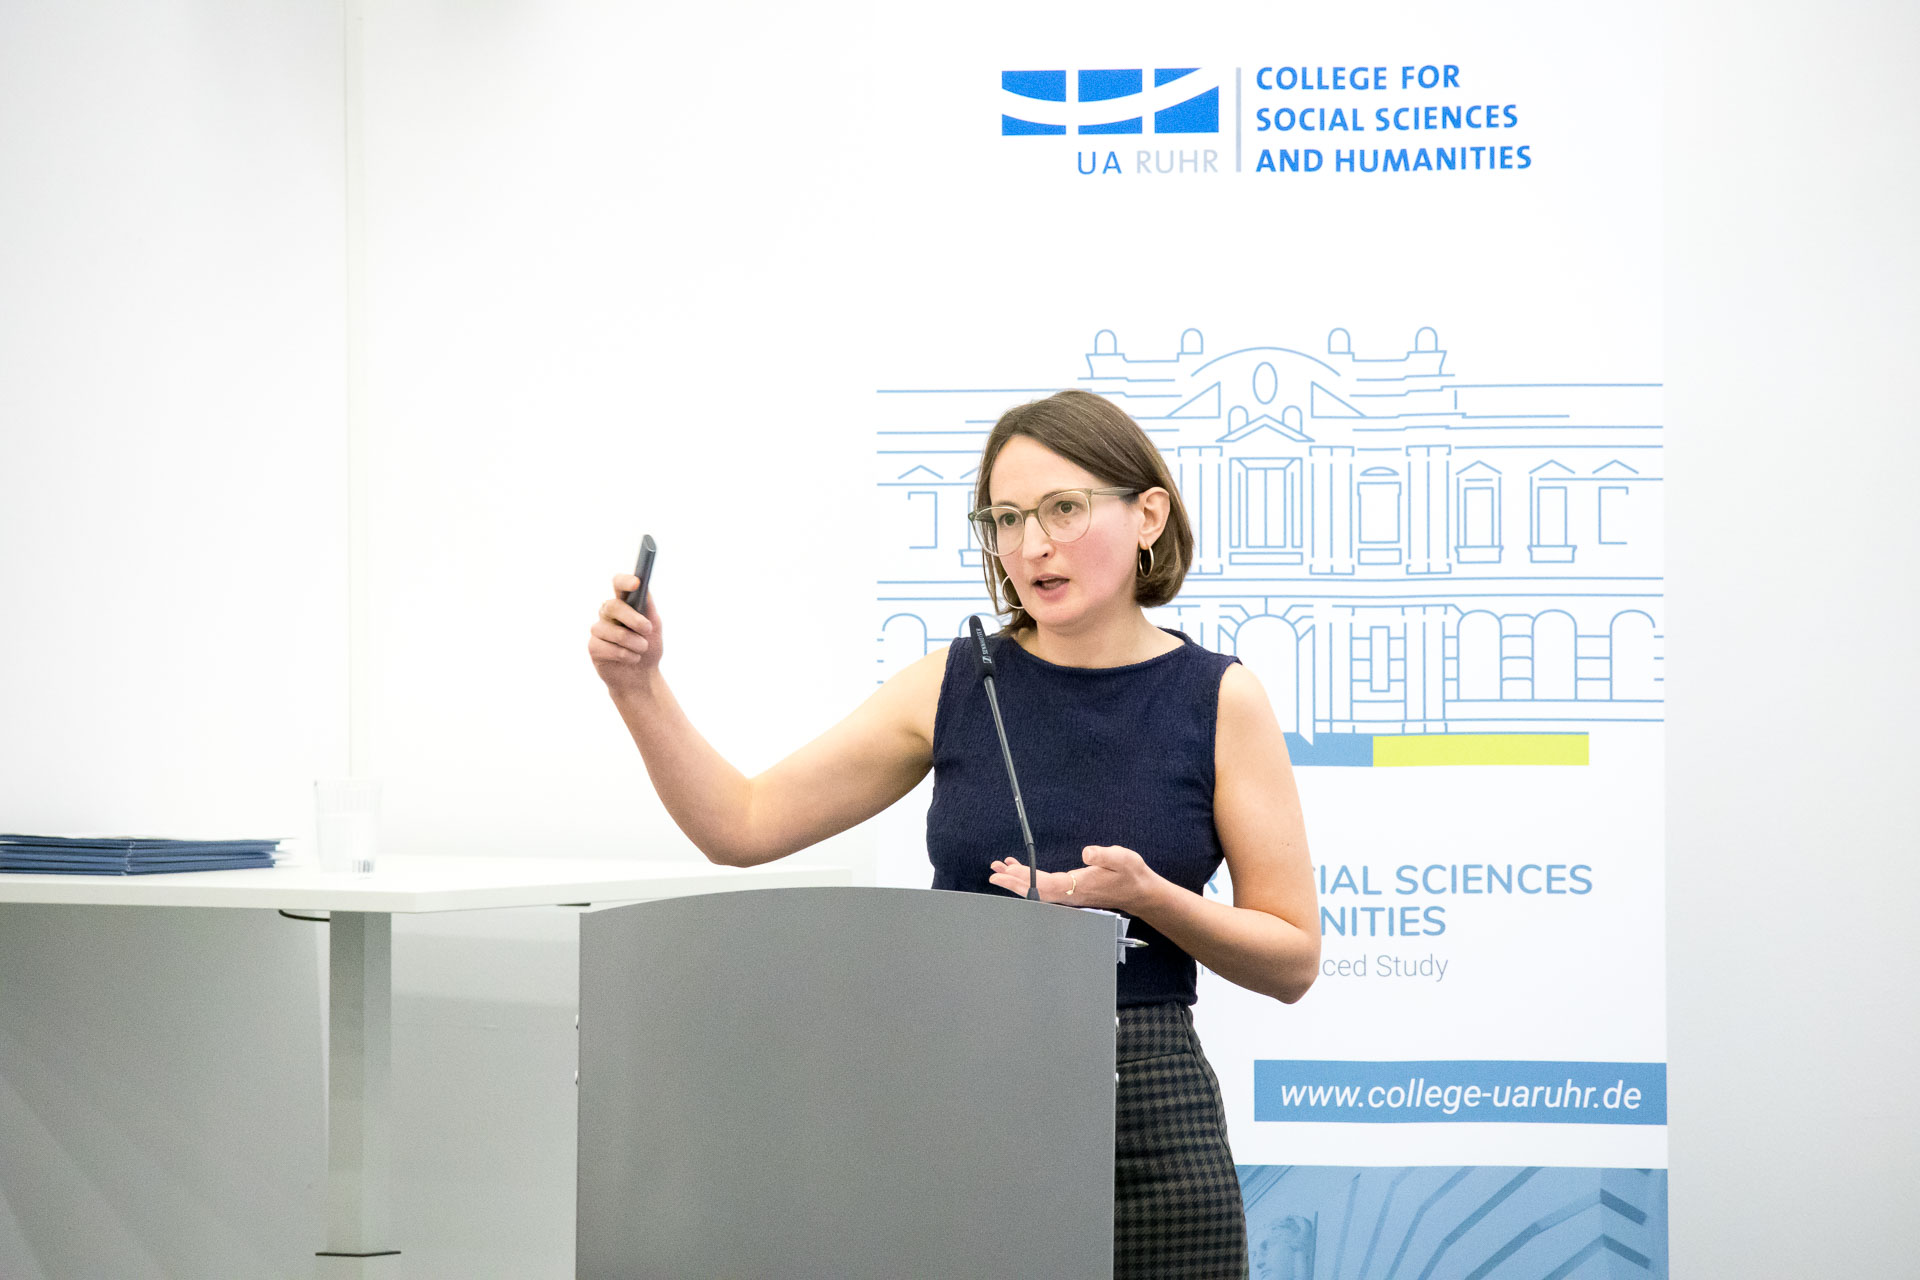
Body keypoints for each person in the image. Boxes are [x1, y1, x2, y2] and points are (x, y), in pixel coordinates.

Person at [587, 387, 1319, 1278]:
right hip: (960, 1098)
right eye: (1005, 520)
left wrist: (1149, 899)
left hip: (1147, 1114)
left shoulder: (1219, 698)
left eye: (1062, 509)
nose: (1031, 546)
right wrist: (639, 687)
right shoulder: (955, 684)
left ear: (1148, 516)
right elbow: (741, 826)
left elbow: (1291, 958)